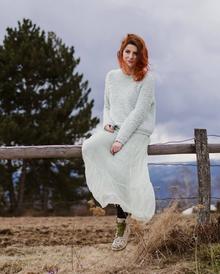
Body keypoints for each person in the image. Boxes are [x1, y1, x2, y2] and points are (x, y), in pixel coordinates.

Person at [82, 33, 156, 251]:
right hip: (115, 128)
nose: (131, 56)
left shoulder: (146, 79)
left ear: (141, 55)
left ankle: (122, 226)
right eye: (127, 52)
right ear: (121, 53)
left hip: (137, 131)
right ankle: (112, 196)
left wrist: (121, 141)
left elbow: (139, 113)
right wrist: (107, 123)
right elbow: (106, 105)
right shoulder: (111, 76)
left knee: (123, 167)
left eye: (135, 53)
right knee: (90, 146)